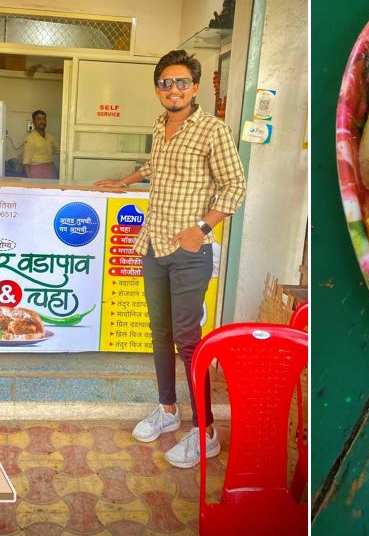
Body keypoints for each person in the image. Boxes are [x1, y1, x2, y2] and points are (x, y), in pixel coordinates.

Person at [96, 49, 245, 468]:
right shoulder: (161, 125)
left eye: (181, 82)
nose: (173, 89)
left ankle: (207, 431)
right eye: (165, 83)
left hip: (188, 252)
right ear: (158, 89)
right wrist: (123, 180)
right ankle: (167, 410)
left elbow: (234, 186)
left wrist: (202, 229)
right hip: (153, 246)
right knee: (159, 333)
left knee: (188, 339)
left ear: (195, 88)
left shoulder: (212, 130)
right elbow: (155, 166)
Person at [22, 109, 59, 178]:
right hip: (36, 172)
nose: (42, 121)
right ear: (34, 122)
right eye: (38, 119)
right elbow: (26, 163)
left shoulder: (50, 136)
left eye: (44, 119)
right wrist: (29, 181)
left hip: (50, 170)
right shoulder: (30, 138)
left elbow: (59, 151)